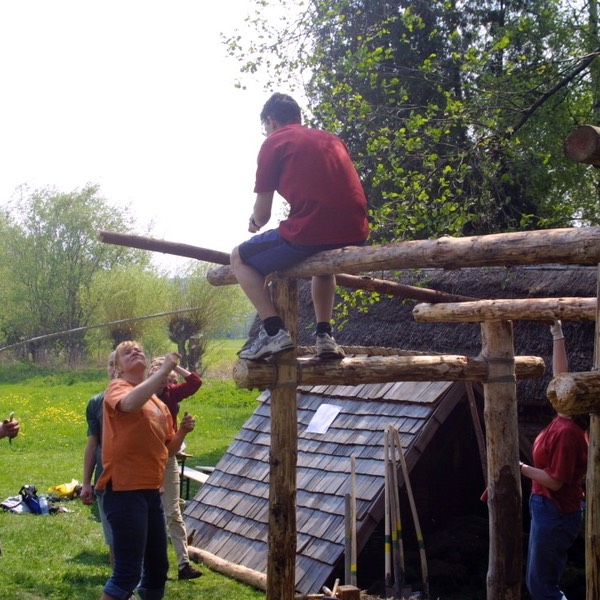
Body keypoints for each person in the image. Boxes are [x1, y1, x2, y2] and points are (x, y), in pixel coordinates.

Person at [231, 92, 370, 361]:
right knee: (322, 264)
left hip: (311, 230)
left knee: (239, 256)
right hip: (356, 229)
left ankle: (273, 331)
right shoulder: (330, 138)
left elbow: (263, 215)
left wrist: (253, 222)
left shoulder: (275, 142)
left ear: (270, 121)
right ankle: (324, 335)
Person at [96, 342, 196, 600]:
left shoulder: (158, 403)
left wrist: (183, 431)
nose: (135, 352)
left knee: (157, 569)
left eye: (138, 349)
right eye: (126, 352)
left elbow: (169, 449)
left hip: (152, 491)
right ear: (117, 367)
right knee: (128, 572)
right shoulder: (117, 388)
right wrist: (162, 372)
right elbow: (128, 404)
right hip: (124, 490)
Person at [521, 320, 589, 600]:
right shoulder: (564, 416)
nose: (555, 388)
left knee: (542, 586)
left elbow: (556, 481)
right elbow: (560, 376)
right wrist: (557, 334)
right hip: (548, 506)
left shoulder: (567, 434)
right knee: (537, 582)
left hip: (556, 509)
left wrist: (522, 469)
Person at [148, 356, 203, 581]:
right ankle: (149, 563)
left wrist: (175, 365)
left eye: (169, 378)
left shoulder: (171, 393)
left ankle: (183, 565)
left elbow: (195, 383)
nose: (166, 382)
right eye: (161, 376)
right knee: (148, 512)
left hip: (168, 455)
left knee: (173, 511)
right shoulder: (144, 395)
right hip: (146, 458)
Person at [81, 351, 117, 566]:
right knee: (114, 540)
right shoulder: (96, 403)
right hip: (106, 480)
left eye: (117, 364)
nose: (114, 369)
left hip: (138, 482)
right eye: (110, 364)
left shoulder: (146, 400)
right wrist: (86, 483)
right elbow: (92, 444)